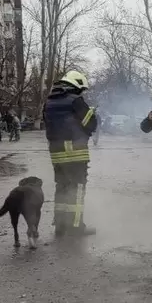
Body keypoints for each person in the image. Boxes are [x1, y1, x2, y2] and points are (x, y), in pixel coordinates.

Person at [43, 71, 98, 237]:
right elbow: (91, 124)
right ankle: (76, 227)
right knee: (77, 188)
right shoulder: (76, 100)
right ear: (77, 86)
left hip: (56, 150)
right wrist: (92, 113)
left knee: (62, 187)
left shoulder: (49, 102)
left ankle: (60, 226)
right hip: (75, 151)